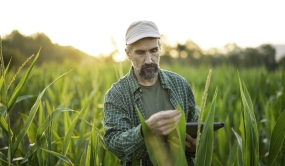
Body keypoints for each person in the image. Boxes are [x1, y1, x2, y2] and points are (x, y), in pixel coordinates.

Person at [103, 20, 198, 166]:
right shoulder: (117, 94)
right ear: (128, 54)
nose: (149, 60)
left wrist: (194, 147)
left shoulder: (180, 84)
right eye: (140, 52)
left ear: (160, 48)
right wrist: (144, 131)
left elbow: (196, 128)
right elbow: (114, 142)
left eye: (153, 51)